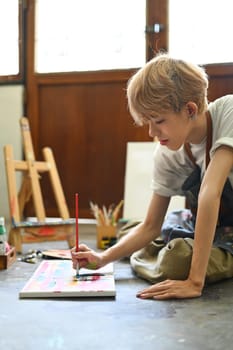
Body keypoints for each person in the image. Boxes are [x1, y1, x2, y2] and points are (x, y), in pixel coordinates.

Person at [71, 52, 233, 300]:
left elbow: (210, 193)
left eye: (159, 120)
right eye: (147, 122)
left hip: (226, 235)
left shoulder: (228, 113)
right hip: (212, 228)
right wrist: (102, 258)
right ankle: (157, 256)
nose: (152, 132)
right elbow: (150, 225)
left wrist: (194, 282)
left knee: (176, 261)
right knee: (133, 232)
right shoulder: (169, 152)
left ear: (190, 109)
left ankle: (163, 260)